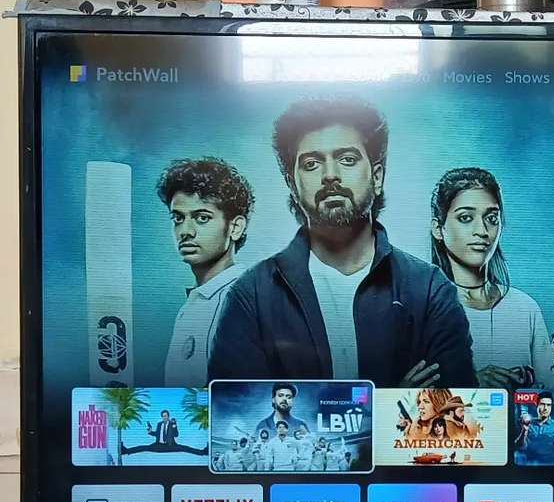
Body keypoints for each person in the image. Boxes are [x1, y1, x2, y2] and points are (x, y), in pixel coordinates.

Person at [208, 98, 476, 388]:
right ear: (292, 184)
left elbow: (453, 409)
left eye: (347, 159)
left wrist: (307, 403)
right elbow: (237, 410)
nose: (330, 175)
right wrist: (390, 401)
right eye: (311, 164)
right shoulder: (252, 294)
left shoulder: (430, 289)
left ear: (377, 177)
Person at [430, 167, 552, 389]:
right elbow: (408, 396)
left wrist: (529, 384)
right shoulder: (423, 309)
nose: (482, 230)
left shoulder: (524, 308)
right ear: (439, 228)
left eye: (492, 218)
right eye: (466, 218)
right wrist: (469, 383)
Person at [159, 158, 255, 386]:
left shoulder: (246, 300)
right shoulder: (194, 303)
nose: (186, 231)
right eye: (178, 218)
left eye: (202, 218)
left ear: (235, 227)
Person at [515, 391, 554, 465]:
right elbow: (518, 447)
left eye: (548, 405)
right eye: (542, 404)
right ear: (537, 405)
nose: (545, 408)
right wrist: (524, 430)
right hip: (529, 466)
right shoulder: (526, 424)